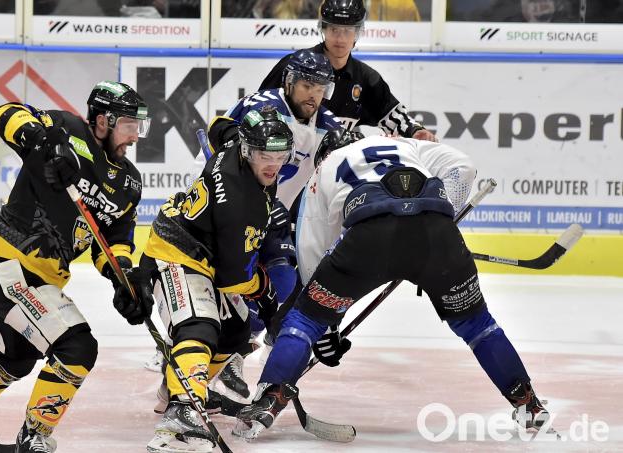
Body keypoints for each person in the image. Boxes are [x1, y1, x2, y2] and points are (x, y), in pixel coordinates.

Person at [232, 130, 553, 440]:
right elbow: (463, 167)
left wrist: (326, 323)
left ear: (322, 157)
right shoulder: (399, 145)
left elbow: (311, 256)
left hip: (369, 239)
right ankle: (529, 405)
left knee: (304, 321)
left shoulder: (324, 169)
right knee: (478, 325)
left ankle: (269, 399)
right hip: (437, 236)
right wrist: (439, 221)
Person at [0, 81, 153, 453]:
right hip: (6, 261)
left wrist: (124, 279)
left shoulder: (129, 182)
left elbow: (113, 240)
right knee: (77, 346)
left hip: (40, 278)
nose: (136, 135)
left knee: (16, 357)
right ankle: (35, 437)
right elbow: (3, 113)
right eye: (129, 124)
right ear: (103, 121)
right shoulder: (68, 131)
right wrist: (42, 141)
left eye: (140, 125)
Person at [119, 106, 291, 453]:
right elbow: (232, 279)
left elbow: (219, 126)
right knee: (200, 324)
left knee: (237, 330)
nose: (273, 165)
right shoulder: (243, 206)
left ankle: (180, 382)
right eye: (263, 156)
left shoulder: (234, 146)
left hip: (204, 252)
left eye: (280, 156)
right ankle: (184, 408)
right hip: (176, 251)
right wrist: (267, 292)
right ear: (247, 150)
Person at [201, 49, 343, 401]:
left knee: (283, 283)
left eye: (321, 86)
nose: (314, 94)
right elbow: (223, 148)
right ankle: (200, 347)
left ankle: (236, 351)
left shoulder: (328, 127)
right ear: (290, 82)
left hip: (271, 218)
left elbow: (329, 181)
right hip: (228, 208)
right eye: (307, 84)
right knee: (231, 282)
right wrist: (260, 200)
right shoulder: (263, 108)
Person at [260, 0, 438, 141]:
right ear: (323, 29)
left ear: (358, 33)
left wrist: (415, 130)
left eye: (348, 31)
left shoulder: (367, 79)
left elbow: (393, 115)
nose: (340, 38)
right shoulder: (294, 65)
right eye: (334, 29)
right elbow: (260, 108)